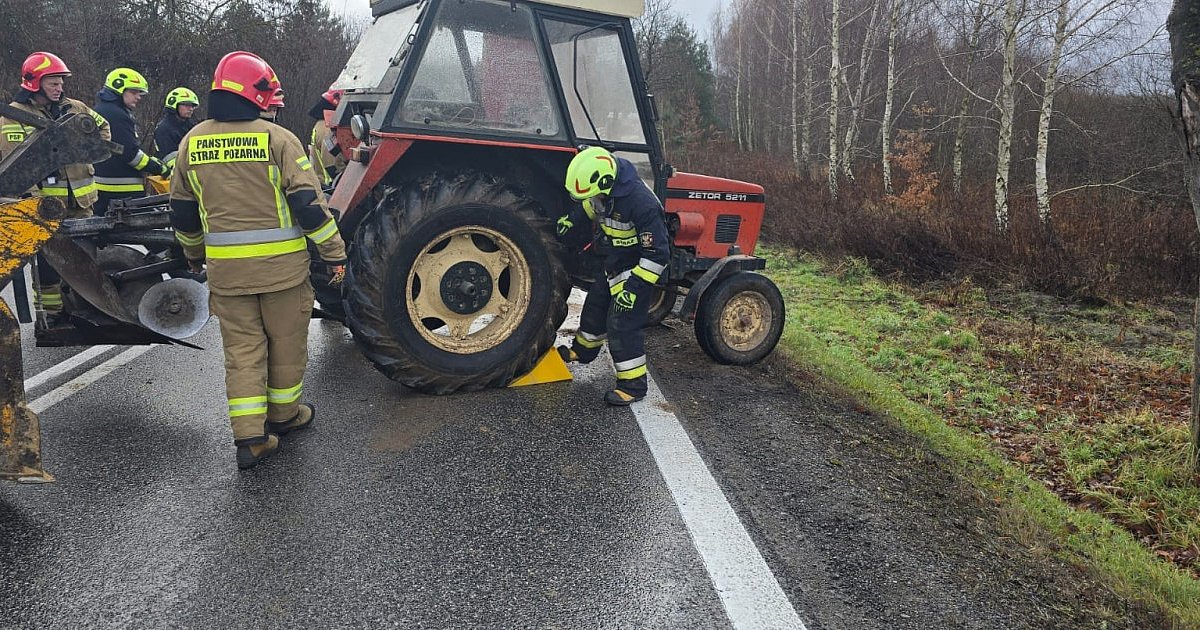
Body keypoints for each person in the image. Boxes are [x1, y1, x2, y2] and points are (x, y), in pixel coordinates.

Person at [169, 51, 348, 470]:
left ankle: (250, 438)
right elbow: (308, 205)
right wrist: (334, 254)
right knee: (286, 344)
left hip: (227, 276)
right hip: (282, 271)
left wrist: (194, 256)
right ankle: (284, 417)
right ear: (255, 93)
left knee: (242, 351)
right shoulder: (276, 139)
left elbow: (182, 213)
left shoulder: (191, 141)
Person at [0, 52, 111, 319]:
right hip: (46, 208)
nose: (59, 87)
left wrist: (80, 149)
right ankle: (51, 314)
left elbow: (104, 131)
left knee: (84, 257)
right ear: (34, 83)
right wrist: (33, 205)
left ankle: (82, 308)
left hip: (82, 203)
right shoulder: (15, 118)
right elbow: (14, 166)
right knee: (49, 265)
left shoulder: (77, 108)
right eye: (53, 82)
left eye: (61, 82)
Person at [555, 146, 669, 405]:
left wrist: (634, 288)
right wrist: (571, 221)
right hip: (614, 264)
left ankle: (633, 385)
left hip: (637, 270)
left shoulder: (642, 204)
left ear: (605, 182)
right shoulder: (605, 193)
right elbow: (589, 207)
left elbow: (658, 255)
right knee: (595, 308)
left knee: (623, 325)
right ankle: (583, 351)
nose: (593, 199)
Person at [93, 67, 169, 214]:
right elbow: (130, 154)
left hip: (102, 187)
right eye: (133, 92)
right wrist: (158, 167)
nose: (138, 97)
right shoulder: (118, 116)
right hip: (122, 191)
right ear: (119, 91)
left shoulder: (101, 109)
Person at [153, 87, 199, 169]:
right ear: (174, 105)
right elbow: (170, 159)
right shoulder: (164, 129)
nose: (191, 109)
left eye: (192, 106)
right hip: (169, 174)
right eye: (186, 105)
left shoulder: (191, 125)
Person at [307, 87, 345, 187]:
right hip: (330, 187)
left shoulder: (321, 124)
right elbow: (332, 164)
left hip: (323, 185)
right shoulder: (328, 128)